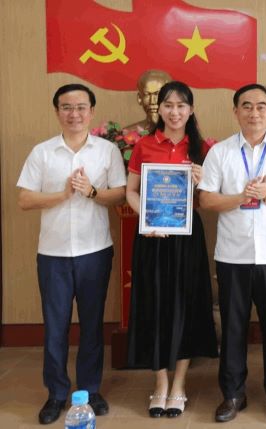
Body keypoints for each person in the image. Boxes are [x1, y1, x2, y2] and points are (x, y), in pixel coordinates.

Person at [17, 83, 126, 424]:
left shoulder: (107, 151)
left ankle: (91, 389)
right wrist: (62, 195)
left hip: (95, 251)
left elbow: (120, 194)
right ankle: (56, 393)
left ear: (91, 112)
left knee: (92, 325)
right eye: (66, 107)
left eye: (80, 107)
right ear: (57, 112)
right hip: (53, 254)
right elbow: (24, 199)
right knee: (55, 326)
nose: (74, 113)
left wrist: (92, 192)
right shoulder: (42, 152)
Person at [199, 83, 266, 423]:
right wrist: (240, 198)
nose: (254, 112)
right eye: (246, 106)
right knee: (233, 329)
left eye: (261, 106)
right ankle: (232, 394)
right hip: (233, 255)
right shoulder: (220, 152)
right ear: (236, 112)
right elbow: (206, 199)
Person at [126, 81, 218, 418]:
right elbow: (131, 191)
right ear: (159, 109)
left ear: (191, 110)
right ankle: (160, 383)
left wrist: (202, 181)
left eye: (181, 105)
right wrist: (145, 218)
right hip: (152, 238)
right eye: (168, 105)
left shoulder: (202, 149)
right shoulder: (144, 145)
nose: (174, 112)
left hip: (187, 239)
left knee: (185, 307)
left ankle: (179, 384)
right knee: (155, 306)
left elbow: (207, 201)